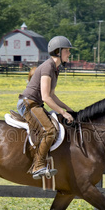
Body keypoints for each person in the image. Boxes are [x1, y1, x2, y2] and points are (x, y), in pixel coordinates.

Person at [17, 36, 74, 179]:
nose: (69, 53)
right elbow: (46, 97)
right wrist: (62, 112)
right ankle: (38, 166)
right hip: (28, 104)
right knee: (49, 131)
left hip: (35, 104)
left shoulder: (55, 69)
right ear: (58, 51)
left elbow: (52, 95)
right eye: (67, 50)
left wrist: (68, 109)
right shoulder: (48, 67)